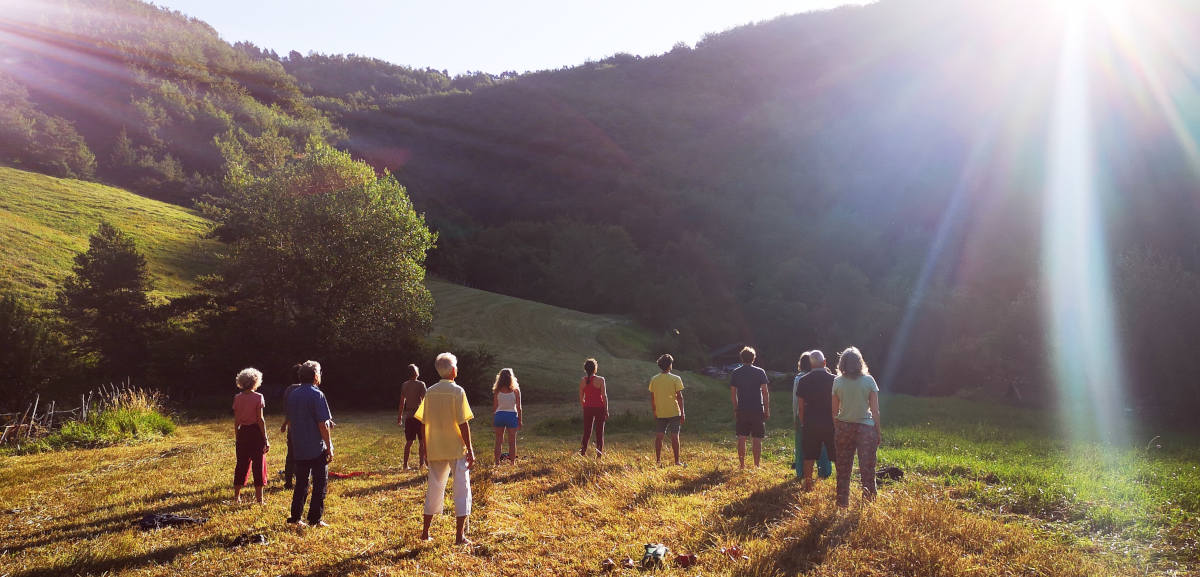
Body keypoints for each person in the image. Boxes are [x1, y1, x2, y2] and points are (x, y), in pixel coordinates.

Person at [417, 352, 476, 544]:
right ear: (453, 370)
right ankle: (459, 536)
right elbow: (463, 423)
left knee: (434, 488)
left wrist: (424, 447)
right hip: (455, 447)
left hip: (435, 446)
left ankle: (425, 532)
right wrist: (470, 449)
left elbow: (423, 422)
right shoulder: (458, 391)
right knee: (462, 489)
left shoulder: (430, 392)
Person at [831, 347, 882, 508]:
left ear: (842, 363)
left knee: (843, 469)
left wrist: (838, 428)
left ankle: (842, 504)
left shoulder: (837, 382)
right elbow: (875, 410)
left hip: (844, 428)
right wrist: (878, 431)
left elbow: (834, 411)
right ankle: (868, 505)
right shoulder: (869, 381)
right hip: (866, 429)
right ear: (860, 363)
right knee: (868, 469)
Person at [287, 360, 334, 527]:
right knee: (320, 482)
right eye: (320, 372)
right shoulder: (317, 394)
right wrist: (329, 447)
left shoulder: (293, 394)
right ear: (315, 376)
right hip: (316, 447)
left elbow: (293, 420)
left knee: (301, 483)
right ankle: (315, 519)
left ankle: (295, 518)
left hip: (299, 446)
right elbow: (323, 424)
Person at [796, 350, 838, 491]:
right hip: (831, 424)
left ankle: (808, 486)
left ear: (811, 364)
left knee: (809, 456)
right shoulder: (835, 380)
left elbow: (800, 408)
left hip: (810, 423)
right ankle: (840, 486)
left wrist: (803, 423)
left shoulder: (803, 381)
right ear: (824, 362)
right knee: (837, 457)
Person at [232, 368, 270, 504]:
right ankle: (260, 499)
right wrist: (265, 438)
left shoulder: (237, 398)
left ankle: (237, 497)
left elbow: (236, 421)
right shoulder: (258, 397)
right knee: (258, 465)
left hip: (243, 432)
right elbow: (260, 419)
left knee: (241, 464)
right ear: (256, 381)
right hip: (255, 433)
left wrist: (238, 436)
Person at [730, 346, 770, 469]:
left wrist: (736, 409)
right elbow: (765, 392)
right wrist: (767, 409)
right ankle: (756, 465)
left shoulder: (736, 372)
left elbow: (733, 394)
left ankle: (742, 465)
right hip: (757, 409)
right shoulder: (760, 372)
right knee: (757, 438)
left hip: (742, 409)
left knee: (742, 437)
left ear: (741, 358)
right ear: (754, 358)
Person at [648, 353, 685, 466]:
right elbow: (679, 397)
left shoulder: (654, 379)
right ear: (670, 365)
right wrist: (682, 412)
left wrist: (654, 411)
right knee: (675, 436)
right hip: (674, 411)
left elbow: (653, 398)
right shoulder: (676, 379)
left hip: (660, 412)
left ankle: (658, 460)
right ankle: (677, 461)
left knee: (659, 436)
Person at [398, 364, 427, 470]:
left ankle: (405, 465)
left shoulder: (404, 385)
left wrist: (400, 416)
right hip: (419, 416)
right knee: (422, 441)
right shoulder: (421, 384)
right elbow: (425, 401)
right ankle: (421, 464)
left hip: (409, 416)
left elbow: (402, 402)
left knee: (409, 442)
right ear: (416, 373)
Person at [492, 368, 523, 464]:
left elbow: (495, 407)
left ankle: (497, 463)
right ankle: (512, 463)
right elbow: (519, 407)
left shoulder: (497, 391)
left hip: (499, 415)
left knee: (498, 441)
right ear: (511, 377)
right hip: (511, 416)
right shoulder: (516, 391)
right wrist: (520, 420)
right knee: (512, 442)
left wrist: (495, 417)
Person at [579, 358, 608, 458]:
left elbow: (581, 398)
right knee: (599, 433)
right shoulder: (601, 380)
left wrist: (585, 406)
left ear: (585, 369)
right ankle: (599, 456)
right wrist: (606, 409)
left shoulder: (583, 380)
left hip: (587, 408)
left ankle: (582, 453)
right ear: (595, 368)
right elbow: (604, 396)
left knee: (586, 432)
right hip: (599, 408)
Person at [279, 363, 303, 489]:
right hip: (306, 428)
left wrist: (285, 423)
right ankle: (302, 480)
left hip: (292, 427)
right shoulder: (310, 389)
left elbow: (288, 410)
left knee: (291, 455)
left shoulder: (289, 390)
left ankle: (288, 482)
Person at [792, 352, 812, 477]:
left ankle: (801, 472)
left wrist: (795, 416)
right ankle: (822, 471)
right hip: (815, 415)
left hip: (801, 414)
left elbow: (795, 400)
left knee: (800, 445)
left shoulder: (798, 378)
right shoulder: (814, 377)